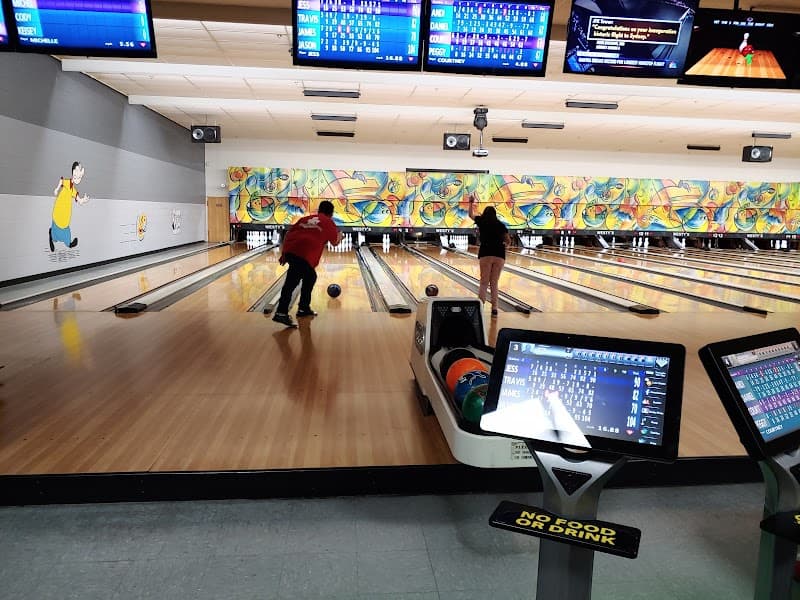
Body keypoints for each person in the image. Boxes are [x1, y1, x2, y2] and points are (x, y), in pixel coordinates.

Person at [272, 200, 342, 328]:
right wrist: (340, 236)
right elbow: (335, 242)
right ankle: (282, 312)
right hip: (304, 254)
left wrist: (284, 253)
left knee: (309, 277)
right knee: (292, 282)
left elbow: (289, 233)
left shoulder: (305, 219)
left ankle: (303, 308)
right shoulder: (328, 222)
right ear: (331, 213)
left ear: (319, 210)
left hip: (293, 250)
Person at [468, 194, 511, 318]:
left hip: (486, 253)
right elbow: (508, 241)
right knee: (494, 282)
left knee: (484, 282)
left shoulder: (482, 221)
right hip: (499, 255)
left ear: (485, 214)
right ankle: (495, 308)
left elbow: (470, 215)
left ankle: (480, 306)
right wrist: (504, 245)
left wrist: (471, 203)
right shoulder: (501, 225)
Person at [50, 161, 89, 251]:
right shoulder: (67, 183)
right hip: (59, 209)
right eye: (76, 176)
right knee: (57, 225)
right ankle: (52, 237)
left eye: (79, 177)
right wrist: (56, 189)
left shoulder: (73, 190)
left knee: (65, 227)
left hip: (65, 213)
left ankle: (68, 243)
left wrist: (83, 200)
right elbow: (61, 181)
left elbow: (78, 200)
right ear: (72, 173)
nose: (77, 179)